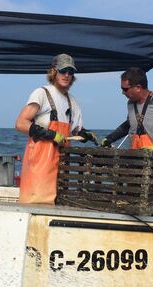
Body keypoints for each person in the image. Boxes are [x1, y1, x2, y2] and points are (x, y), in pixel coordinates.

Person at [15, 54, 97, 204]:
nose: (67, 75)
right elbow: (20, 123)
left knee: (58, 204)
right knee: (36, 202)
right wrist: (50, 134)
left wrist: (85, 134)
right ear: (54, 72)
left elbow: (74, 131)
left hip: (62, 164)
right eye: (63, 70)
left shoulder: (72, 100)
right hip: (40, 163)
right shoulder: (42, 93)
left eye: (71, 72)